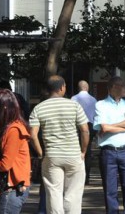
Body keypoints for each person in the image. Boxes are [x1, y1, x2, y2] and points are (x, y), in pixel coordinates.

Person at [29, 75, 89, 214]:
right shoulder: (74, 105)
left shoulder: (39, 108)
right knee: (73, 195)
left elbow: (32, 135)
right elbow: (85, 131)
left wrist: (40, 154)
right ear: (62, 88)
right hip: (74, 155)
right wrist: (83, 151)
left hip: (52, 156)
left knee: (54, 193)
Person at [94, 76, 125, 214]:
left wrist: (111, 126)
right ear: (114, 87)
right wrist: (124, 127)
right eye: (124, 86)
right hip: (108, 152)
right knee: (110, 190)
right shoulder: (100, 105)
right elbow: (104, 128)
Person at [71, 80, 97, 185]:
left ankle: (77, 176)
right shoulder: (93, 100)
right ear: (87, 88)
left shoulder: (74, 99)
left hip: (77, 125)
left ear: (78, 88)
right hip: (89, 125)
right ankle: (87, 177)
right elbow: (96, 115)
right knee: (88, 150)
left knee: (77, 150)